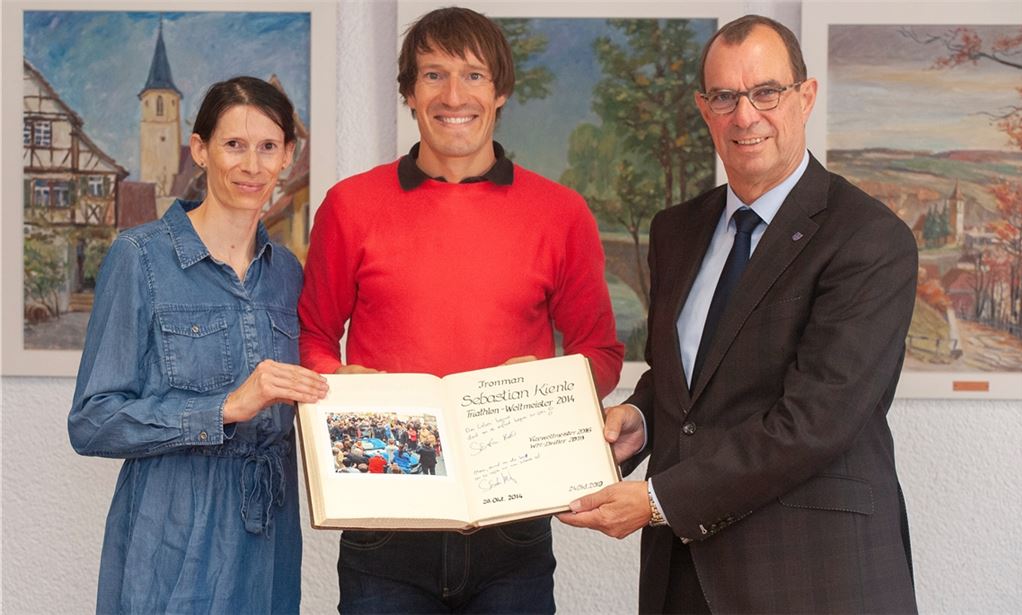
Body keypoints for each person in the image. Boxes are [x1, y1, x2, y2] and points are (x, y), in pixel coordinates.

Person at [559, 15, 919, 614]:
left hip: (812, 576)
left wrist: (656, 501)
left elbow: (815, 422)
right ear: (705, 109)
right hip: (683, 577)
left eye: (766, 92)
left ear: (806, 97)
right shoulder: (676, 231)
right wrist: (641, 418)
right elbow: (689, 380)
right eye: (725, 97)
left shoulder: (868, 238)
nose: (745, 116)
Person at [298, 6, 624, 613]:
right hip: (385, 515)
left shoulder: (561, 213)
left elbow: (601, 353)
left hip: (514, 520)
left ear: (501, 92)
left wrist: (551, 383)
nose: (454, 96)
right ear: (409, 93)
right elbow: (313, 335)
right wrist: (337, 382)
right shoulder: (349, 206)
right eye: (433, 75)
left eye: (474, 75)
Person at [67, 76, 328, 614]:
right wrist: (225, 407)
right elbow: (92, 421)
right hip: (173, 533)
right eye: (234, 144)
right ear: (200, 149)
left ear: (287, 156)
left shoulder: (287, 273)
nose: (251, 165)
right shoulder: (140, 257)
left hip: (270, 533)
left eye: (268, 147)